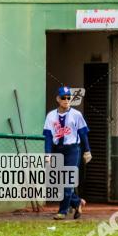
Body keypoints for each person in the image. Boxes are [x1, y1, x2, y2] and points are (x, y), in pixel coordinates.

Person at [43, 86, 91, 220]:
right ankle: (77, 202)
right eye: (63, 98)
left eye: (68, 98)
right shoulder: (51, 115)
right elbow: (47, 136)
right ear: (58, 99)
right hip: (58, 149)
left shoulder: (76, 114)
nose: (66, 100)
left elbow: (83, 133)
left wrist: (87, 151)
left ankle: (62, 211)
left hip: (72, 150)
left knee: (67, 181)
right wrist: (48, 154)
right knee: (58, 181)